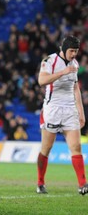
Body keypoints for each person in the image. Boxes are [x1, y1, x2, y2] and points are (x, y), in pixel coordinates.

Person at [36, 35, 87, 195]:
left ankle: (83, 185)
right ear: (64, 49)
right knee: (46, 149)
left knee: (76, 147)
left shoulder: (75, 64)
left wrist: (81, 111)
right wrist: (62, 72)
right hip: (52, 109)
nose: (73, 54)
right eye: (71, 51)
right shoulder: (49, 61)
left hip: (70, 110)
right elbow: (41, 81)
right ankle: (40, 182)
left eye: (76, 51)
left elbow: (75, 88)